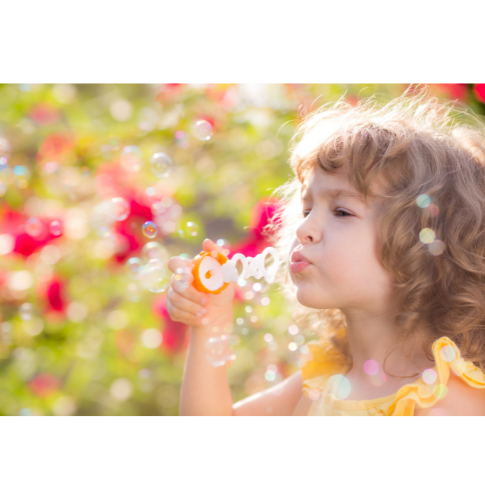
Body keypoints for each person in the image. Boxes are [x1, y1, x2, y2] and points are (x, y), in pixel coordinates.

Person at [167, 89, 485, 417]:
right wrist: (211, 323)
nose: (303, 228)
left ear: (424, 247)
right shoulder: (325, 378)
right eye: (306, 209)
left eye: (342, 212)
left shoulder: (444, 403)